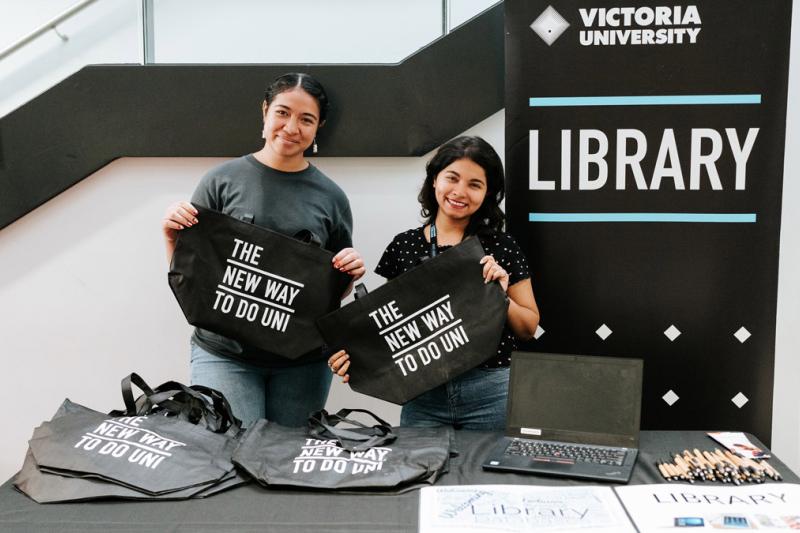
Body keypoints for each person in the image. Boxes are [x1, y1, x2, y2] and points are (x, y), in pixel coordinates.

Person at [162, 72, 365, 428]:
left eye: (306, 119)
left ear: (319, 128)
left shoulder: (332, 198)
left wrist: (348, 272)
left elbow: (328, 294)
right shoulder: (220, 181)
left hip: (303, 363)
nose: (291, 127)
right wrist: (169, 236)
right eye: (283, 113)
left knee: (286, 465)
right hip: (223, 354)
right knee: (228, 458)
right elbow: (193, 277)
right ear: (265, 112)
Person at [328, 136, 539, 430]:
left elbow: (528, 329)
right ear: (435, 179)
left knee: (488, 476)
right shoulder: (403, 246)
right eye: (451, 178)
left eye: (475, 184)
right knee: (421, 475)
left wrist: (500, 294)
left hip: (492, 392)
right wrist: (356, 361)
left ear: (488, 192)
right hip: (423, 394)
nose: (460, 191)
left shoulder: (501, 246)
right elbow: (394, 329)